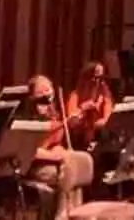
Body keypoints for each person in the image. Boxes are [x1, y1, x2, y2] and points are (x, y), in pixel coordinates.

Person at [21, 75, 94, 220]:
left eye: (48, 92)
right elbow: (29, 151)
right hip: (32, 167)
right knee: (66, 172)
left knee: (77, 165)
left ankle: (76, 212)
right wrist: (56, 156)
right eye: (40, 94)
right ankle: (62, 214)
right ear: (31, 97)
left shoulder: (53, 114)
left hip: (52, 162)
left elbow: (55, 143)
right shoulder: (26, 118)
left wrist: (60, 150)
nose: (46, 97)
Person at [65, 61, 114, 150]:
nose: (97, 82)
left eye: (101, 78)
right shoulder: (75, 95)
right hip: (79, 141)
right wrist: (83, 109)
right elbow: (71, 123)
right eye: (94, 78)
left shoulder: (105, 94)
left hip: (98, 140)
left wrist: (93, 126)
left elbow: (108, 120)